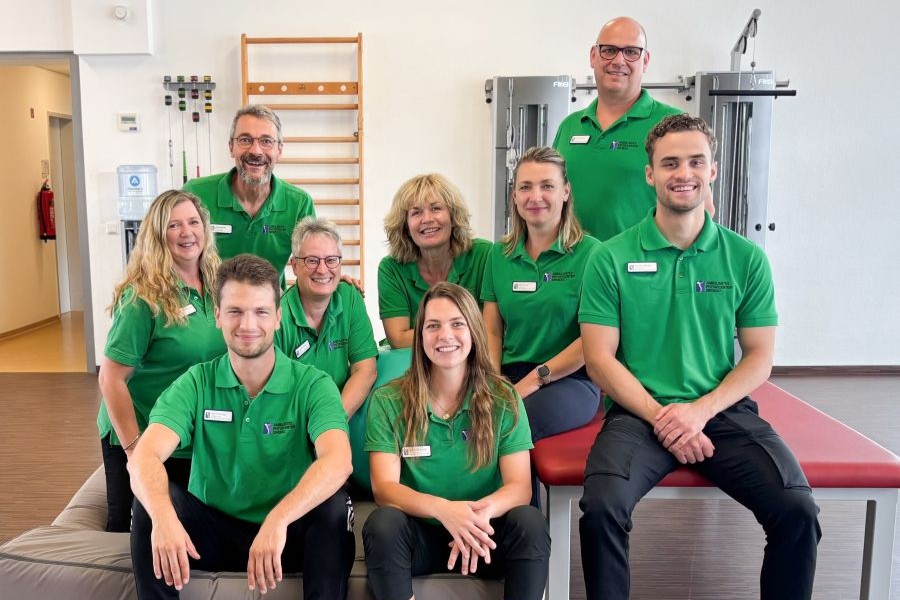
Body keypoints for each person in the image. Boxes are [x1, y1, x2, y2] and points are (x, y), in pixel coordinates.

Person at [577, 114, 820, 600]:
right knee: (602, 509)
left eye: (695, 161)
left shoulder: (745, 258)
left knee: (797, 511)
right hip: (637, 414)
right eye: (669, 163)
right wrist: (666, 418)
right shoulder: (610, 257)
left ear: (712, 171)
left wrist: (698, 412)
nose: (681, 172)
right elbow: (599, 360)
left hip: (721, 411)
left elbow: (758, 358)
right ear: (649, 174)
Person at [128, 254, 355, 599]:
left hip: (285, 531)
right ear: (217, 316)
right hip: (212, 529)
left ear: (278, 317)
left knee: (334, 508)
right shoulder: (196, 382)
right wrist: (163, 517)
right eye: (235, 311)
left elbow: (338, 461)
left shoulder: (313, 384)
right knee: (150, 503)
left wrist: (277, 521)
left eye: (261, 312)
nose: (248, 324)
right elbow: (144, 456)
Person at [363, 282, 550, 600]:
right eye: (433, 326)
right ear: (420, 336)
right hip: (422, 536)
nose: (445, 336)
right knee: (382, 523)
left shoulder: (504, 398)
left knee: (530, 521)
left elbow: (519, 487)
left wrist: (475, 518)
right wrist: (445, 511)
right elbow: (384, 489)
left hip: (483, 535)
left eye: (457, 324)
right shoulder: (388, 399)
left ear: (474, 331)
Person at [96, 190, 225, 532]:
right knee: (131, 531)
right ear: (157, 234)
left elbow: (266, 299)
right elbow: (111, 379)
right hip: (139, 430)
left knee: (185, 525)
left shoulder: (217, 282)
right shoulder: (142, 297)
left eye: (194, 222)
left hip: (187, 434)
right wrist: (136, 452)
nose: (187, 232)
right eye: (174, 225)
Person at [482, 147, 600, 443]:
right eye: (525, 187)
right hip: (508, 374)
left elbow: (594, 339)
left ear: (565, 192)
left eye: (547, 186)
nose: (535, 197)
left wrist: (536, 378)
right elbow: (492, 331)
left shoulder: (593, 254)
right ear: (515, 196)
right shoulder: (499, 254)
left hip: (572, 379)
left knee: (507, 426)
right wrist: (492, 382)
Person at [552, 17, 683, 241]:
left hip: (641, 271)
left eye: (631, 52)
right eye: (609, 50)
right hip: (576, 268)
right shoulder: (569, 126)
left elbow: (701, 209)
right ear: (593, 56)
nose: (619, 60)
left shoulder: (674, 125)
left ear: (645, 60)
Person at [183, 104, 315, 277]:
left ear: (279, 151)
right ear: (231, 147)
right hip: (210, 302)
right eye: (245, 140)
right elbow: (170, 257)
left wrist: (331, 281)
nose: (255, 150)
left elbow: (313, 262)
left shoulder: (299, 203)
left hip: (270, 302)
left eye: (266, 141)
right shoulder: (195, 194)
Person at [275, 217, 378, 418]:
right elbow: (274, 396)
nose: (322, 270)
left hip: (337, 416)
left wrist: (332, 423)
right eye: (312, 260)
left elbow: (365, 370)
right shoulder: (278, 318)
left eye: (331, 260)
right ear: (294, 265)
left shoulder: (349, 298)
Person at [378, 174, 491, 348]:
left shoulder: (483, 255)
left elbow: (491, 329)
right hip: (412, 362)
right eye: (416, 212)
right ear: (405, 226)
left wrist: (432, 331)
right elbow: (398, 340)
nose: (427, 219)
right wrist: (458, 329)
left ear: (453, 217)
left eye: (436, 208)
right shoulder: (391, 268)